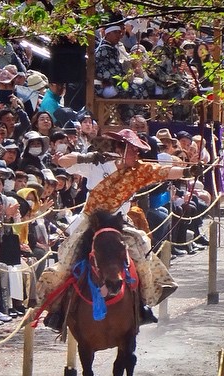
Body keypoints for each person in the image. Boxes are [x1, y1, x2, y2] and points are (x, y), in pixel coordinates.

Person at [37, 128, 203, 329]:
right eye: (133, 150)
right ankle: (58, 309)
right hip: (90, 222)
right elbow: (66, 162)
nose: (137, 155)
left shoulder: (138, 170)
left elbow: (165, 171)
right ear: (121, 149)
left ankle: (143, 303)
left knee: (141, 252)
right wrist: (79, 157)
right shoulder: (96, 163)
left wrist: (189, 171)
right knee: (66, 261)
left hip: (119, 223)